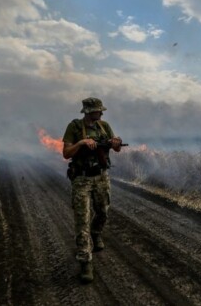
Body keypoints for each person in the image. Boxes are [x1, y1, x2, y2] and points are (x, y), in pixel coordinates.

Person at [62, 97, 123, 283]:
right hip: (82, 179)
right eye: (98, 110)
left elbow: (117, 148)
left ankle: (96, 234)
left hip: (101, 177)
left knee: (103, 212)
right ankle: (85, 262)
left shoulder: (104, 126)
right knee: (82, 221)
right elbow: (66, 153)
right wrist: (81, 143)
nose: (101, 113)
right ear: (89, 111)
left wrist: (116, 143)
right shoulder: (74, 127)